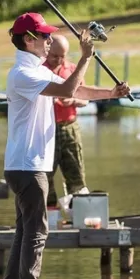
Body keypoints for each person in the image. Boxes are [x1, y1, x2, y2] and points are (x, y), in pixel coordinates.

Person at [0, 12, 131, 279]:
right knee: (36, 231)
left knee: (25, 230)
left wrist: (111, 93)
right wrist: (86, 56)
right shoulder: (23, 73)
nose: (48, 40)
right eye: (44, 36)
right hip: (28, 166)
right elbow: (68, 89)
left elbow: (78, 90)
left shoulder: (37, 69)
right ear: (28, 40)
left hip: (26, 165)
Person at [43, 34, 90, 210]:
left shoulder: (72, 69)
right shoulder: (39, 71)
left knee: (76, 173)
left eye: (62, 56)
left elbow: (85, 98)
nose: (59, 60)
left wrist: (74, 101)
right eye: (55, 56)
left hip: (69, 127)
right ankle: (49, 216)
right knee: (45, 174)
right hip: (47, 130)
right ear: (47, 51)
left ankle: (80, 215)